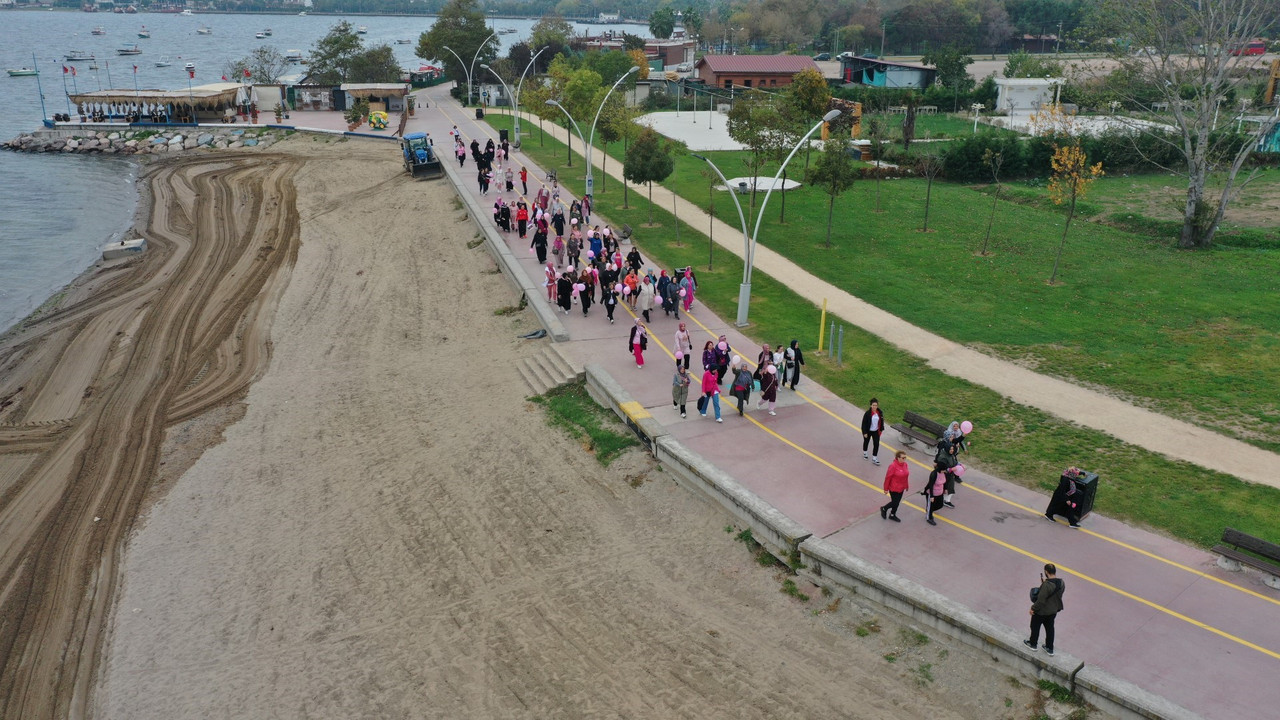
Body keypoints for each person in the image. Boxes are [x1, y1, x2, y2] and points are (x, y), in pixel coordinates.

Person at [1024, 564, 1065, 656]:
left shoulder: (1046, 585)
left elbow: (1041, 600)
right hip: (1053, 611)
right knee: (1050, 629)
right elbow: (1057, 594)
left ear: (1046, 572)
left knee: (1035, 627)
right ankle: (1049, 648)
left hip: (1042, 612)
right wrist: (1044, 584)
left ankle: (1033, 643)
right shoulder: (1061, 582)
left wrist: (1033, 608)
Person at [880, 450, 910, 521]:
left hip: (901, 487)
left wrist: (906, 485)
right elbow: (888, 478)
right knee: (895, 502)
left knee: (897, 503)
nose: (904, 459)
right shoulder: (892, 466)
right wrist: (885, 488)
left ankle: (892, 514)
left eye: (905, 458)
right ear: (898, 458)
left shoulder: (905, 465)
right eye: (903, 458)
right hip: (894, 488)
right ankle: (884, 508)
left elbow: (906, 476)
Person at [861, 398, 885, 465]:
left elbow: (881, 421)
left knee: (876, 444)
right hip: (868, 431)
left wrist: (881, 429)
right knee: (866, 441)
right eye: (873, 405)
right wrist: (864, 432)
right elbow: (864, 424)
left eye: (876, 405)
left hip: (876, 431)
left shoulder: (880, 413)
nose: (875, 407)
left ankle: (874, 458)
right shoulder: (867, 414)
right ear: (871, 405)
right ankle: (865, 453)